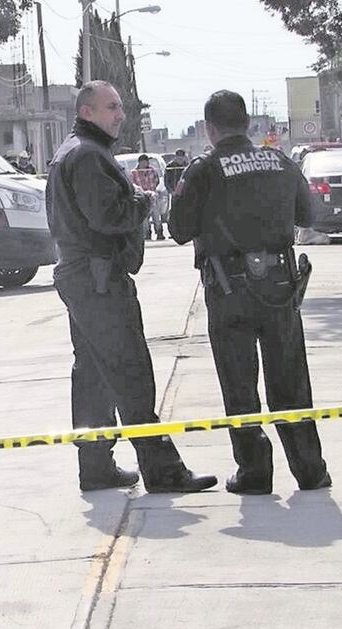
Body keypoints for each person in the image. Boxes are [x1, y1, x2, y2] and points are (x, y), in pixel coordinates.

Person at [45, 80, 217, 494]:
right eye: (111, 107)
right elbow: (108, 216)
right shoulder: (86, 155)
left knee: (93, 375)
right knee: (130, 372)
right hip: (98, 279)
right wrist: (141, 201)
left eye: (120, 107)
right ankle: (164, 470)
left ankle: (96, 466)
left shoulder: (78, 151)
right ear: (86, 112)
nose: (120, 114)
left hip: (84, 276)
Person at [169, 90, 330, 495]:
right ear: (248, 124)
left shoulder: (202, 170)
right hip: (279, 285)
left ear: (210, 129)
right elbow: (309, 215)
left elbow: (177, 230)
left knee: (239, 385)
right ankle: (310, 470)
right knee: (291, 380)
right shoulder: (280, 162)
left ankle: (255, 473)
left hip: (228, 288)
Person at [130, 154, 163, 240]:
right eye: (143, 162)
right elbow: (133, 184)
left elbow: (157, 181)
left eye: (146, 161)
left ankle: (159, 232)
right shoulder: (134, 172)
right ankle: (147, 233)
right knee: (144, 217)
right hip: (141, 197)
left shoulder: (152, 170)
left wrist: (153, 190)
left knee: (156, 215)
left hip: (153, 196)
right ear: (139, 162)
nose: (145, 163)